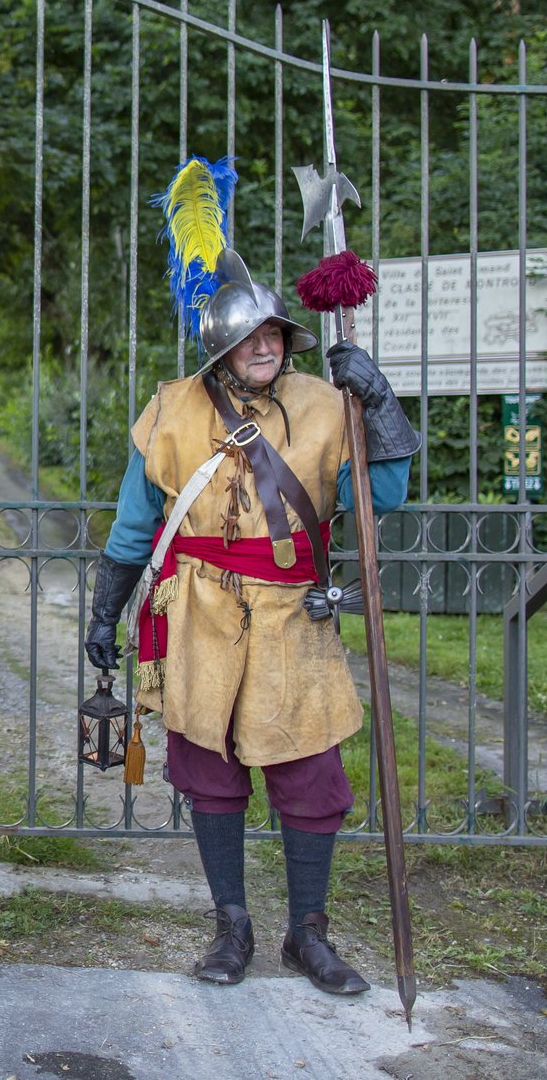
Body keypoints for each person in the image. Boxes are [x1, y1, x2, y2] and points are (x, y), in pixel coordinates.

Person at [83, 247, 417, 996]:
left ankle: (309, 933)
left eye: (274, 335)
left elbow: (385, 496)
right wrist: (106, 612)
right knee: (210, 771)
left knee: (310, 771)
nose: (265, 347)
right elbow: (135, 524)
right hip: (197, 609)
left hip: (293, 613)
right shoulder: (172, 409)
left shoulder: (328, 403)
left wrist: (380, 401)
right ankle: (231, 925)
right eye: (249, 337)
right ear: (221, 347)